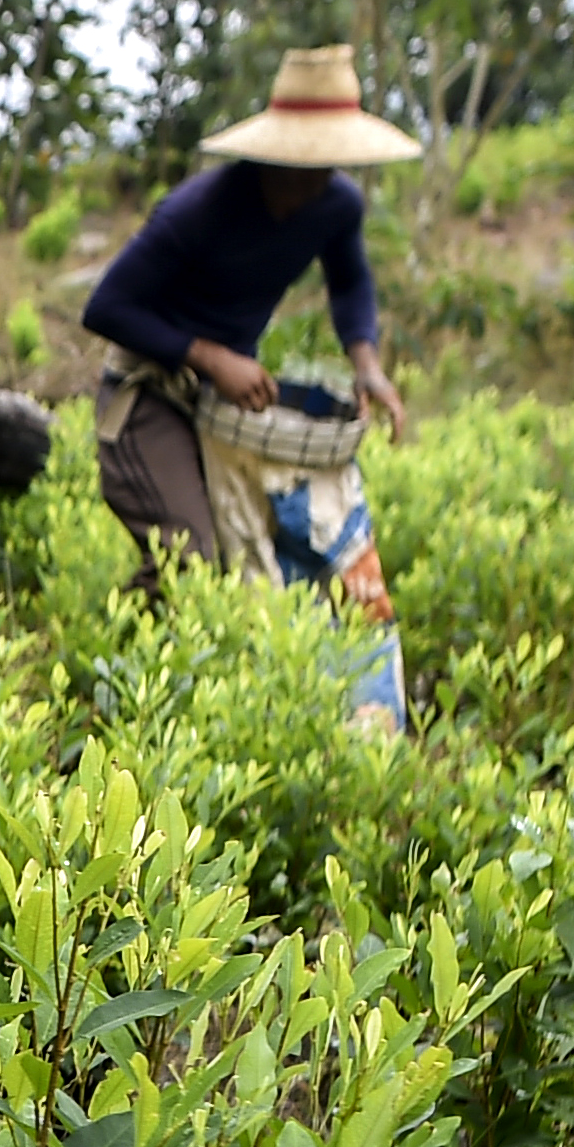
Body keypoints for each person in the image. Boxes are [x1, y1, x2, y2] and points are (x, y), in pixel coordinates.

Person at [80, 44, 420, 719]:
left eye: (325, 164)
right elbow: (107, 308)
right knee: (189, 554)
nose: (311, 181)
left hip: (221, 408)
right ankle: (114, 713)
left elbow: (350, 281)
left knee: (257, 563)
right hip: (147, 396)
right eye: (299, 164)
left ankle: (215, 711)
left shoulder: (334, 206)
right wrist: (210, 354)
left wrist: (369, 367)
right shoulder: (197, 211)